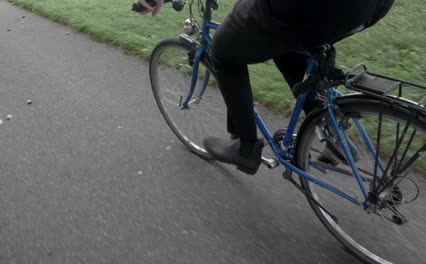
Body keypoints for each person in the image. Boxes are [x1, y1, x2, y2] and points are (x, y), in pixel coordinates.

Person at [137, 0, 395, 175]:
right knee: (287, 44)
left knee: (224, 51)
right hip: (373, 7)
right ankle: (332, 130)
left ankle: (245, 147)